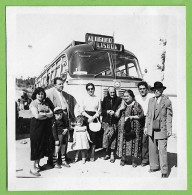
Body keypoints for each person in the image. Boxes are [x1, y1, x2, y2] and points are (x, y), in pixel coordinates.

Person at [46, 77, 78, 168]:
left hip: (64, 118)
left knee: (64, 140)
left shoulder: (64, 94)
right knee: (56, 141)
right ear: (55, 85)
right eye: (59, 84)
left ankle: (63, 157)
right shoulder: (51, 94)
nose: (61, 85)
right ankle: (52, 160)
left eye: (62, 83)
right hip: (57, 120)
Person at [144, 81, 172, 178]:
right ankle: (154, 166)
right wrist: (146, 126)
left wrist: (169, 129)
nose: (156, 91)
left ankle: (164, 170)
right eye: (155, 90)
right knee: (152, 148)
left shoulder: (167, 101)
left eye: (159, 89)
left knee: (162, 150)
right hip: (151, 128)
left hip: (162, 128)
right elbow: (148, 114)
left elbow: (169, 116)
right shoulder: (151, 100)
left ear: (162, 90)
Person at [116, 90, 144, 167]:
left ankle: (134, 160)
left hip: (134, 127)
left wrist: (131, 117)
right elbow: (116, 115)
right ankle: (123, 158)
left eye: (127, 96)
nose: (125, 98)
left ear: (132, 96)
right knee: (123, 141)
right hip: (123, 127)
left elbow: (141, 115)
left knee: (134, 142)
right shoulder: (122, 105)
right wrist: (120, 108)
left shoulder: (137, 105)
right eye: (124, 96)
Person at [29, 87, 53, 176]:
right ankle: (33, 168)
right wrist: (46, 115)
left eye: (42, 94)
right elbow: (36, 116)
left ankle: (37, 165)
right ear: (35, 95)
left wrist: (44, 114)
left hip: (44, 127)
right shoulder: (33, 103)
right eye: (39, 94)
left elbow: (51, 114)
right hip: (36, 127)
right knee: (35, 146)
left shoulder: (45, 103)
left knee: (41, 145)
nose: (40, 95)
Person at [80, 83, 101, 161]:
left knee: (93, 137)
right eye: (88, 89)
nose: (90, 90)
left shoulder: (97, 98)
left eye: (92, 88)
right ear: (86, 90)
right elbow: (81, 110)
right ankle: (85, 155)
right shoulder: (84, 98)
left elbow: (99, 111)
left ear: (94, 89)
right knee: (86, 137)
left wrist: (93, 117)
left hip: (94, 117)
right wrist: (89, 117)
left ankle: (92, 154)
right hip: (86, 118)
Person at [135, 81, 154, 167]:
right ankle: (141, 157)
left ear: (147, 89)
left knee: (145, 139)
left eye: (143, 89)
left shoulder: (151, 96)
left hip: (148, 119)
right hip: (139, 119)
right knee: (139, 139)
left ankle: (145, 160)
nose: (142, 90)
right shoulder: (136, 97)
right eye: (140, 89)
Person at [101, 87, 122, 163]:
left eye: (113, 92)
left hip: (114, 121)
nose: (112, 94)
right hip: (106, 122)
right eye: (111, 92)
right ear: (108, 92)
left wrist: (115, 112)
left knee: (113, 138)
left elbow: (121, 109)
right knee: (106, 137)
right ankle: (107, 153)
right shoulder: (105, 99)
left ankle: (112, 154)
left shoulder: (119, 99)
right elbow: (102, 111)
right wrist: (107, 111)